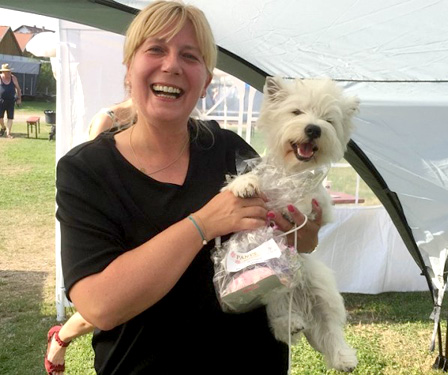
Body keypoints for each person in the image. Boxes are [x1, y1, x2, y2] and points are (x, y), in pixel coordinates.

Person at [54, 1, 322, 374]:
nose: (172, 65)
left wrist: (302, 231)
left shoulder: (229, 148)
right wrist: (204, 223)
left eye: (190, 56)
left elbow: (298, 243)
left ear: (205, 82)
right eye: (155, 49)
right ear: (129, 68)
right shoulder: (86, 171)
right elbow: (100, 305)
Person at [45, 99, 137, 375]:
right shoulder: (107, 121)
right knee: (111, 304)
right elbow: (97, 177)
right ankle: (59, 339)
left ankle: (60, 338)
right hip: (119, 224)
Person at [0, 63, 22, 138]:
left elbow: (18, 89)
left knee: (10, 117)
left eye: (9, 71)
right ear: (3, 72)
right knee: (0, 118)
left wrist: (19, 99)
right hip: (1, 101)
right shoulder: (0, 78)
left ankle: (8, 134)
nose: (9, 73)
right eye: (7, 71)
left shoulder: (13, 78)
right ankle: (3, 127)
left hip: (11, 101)